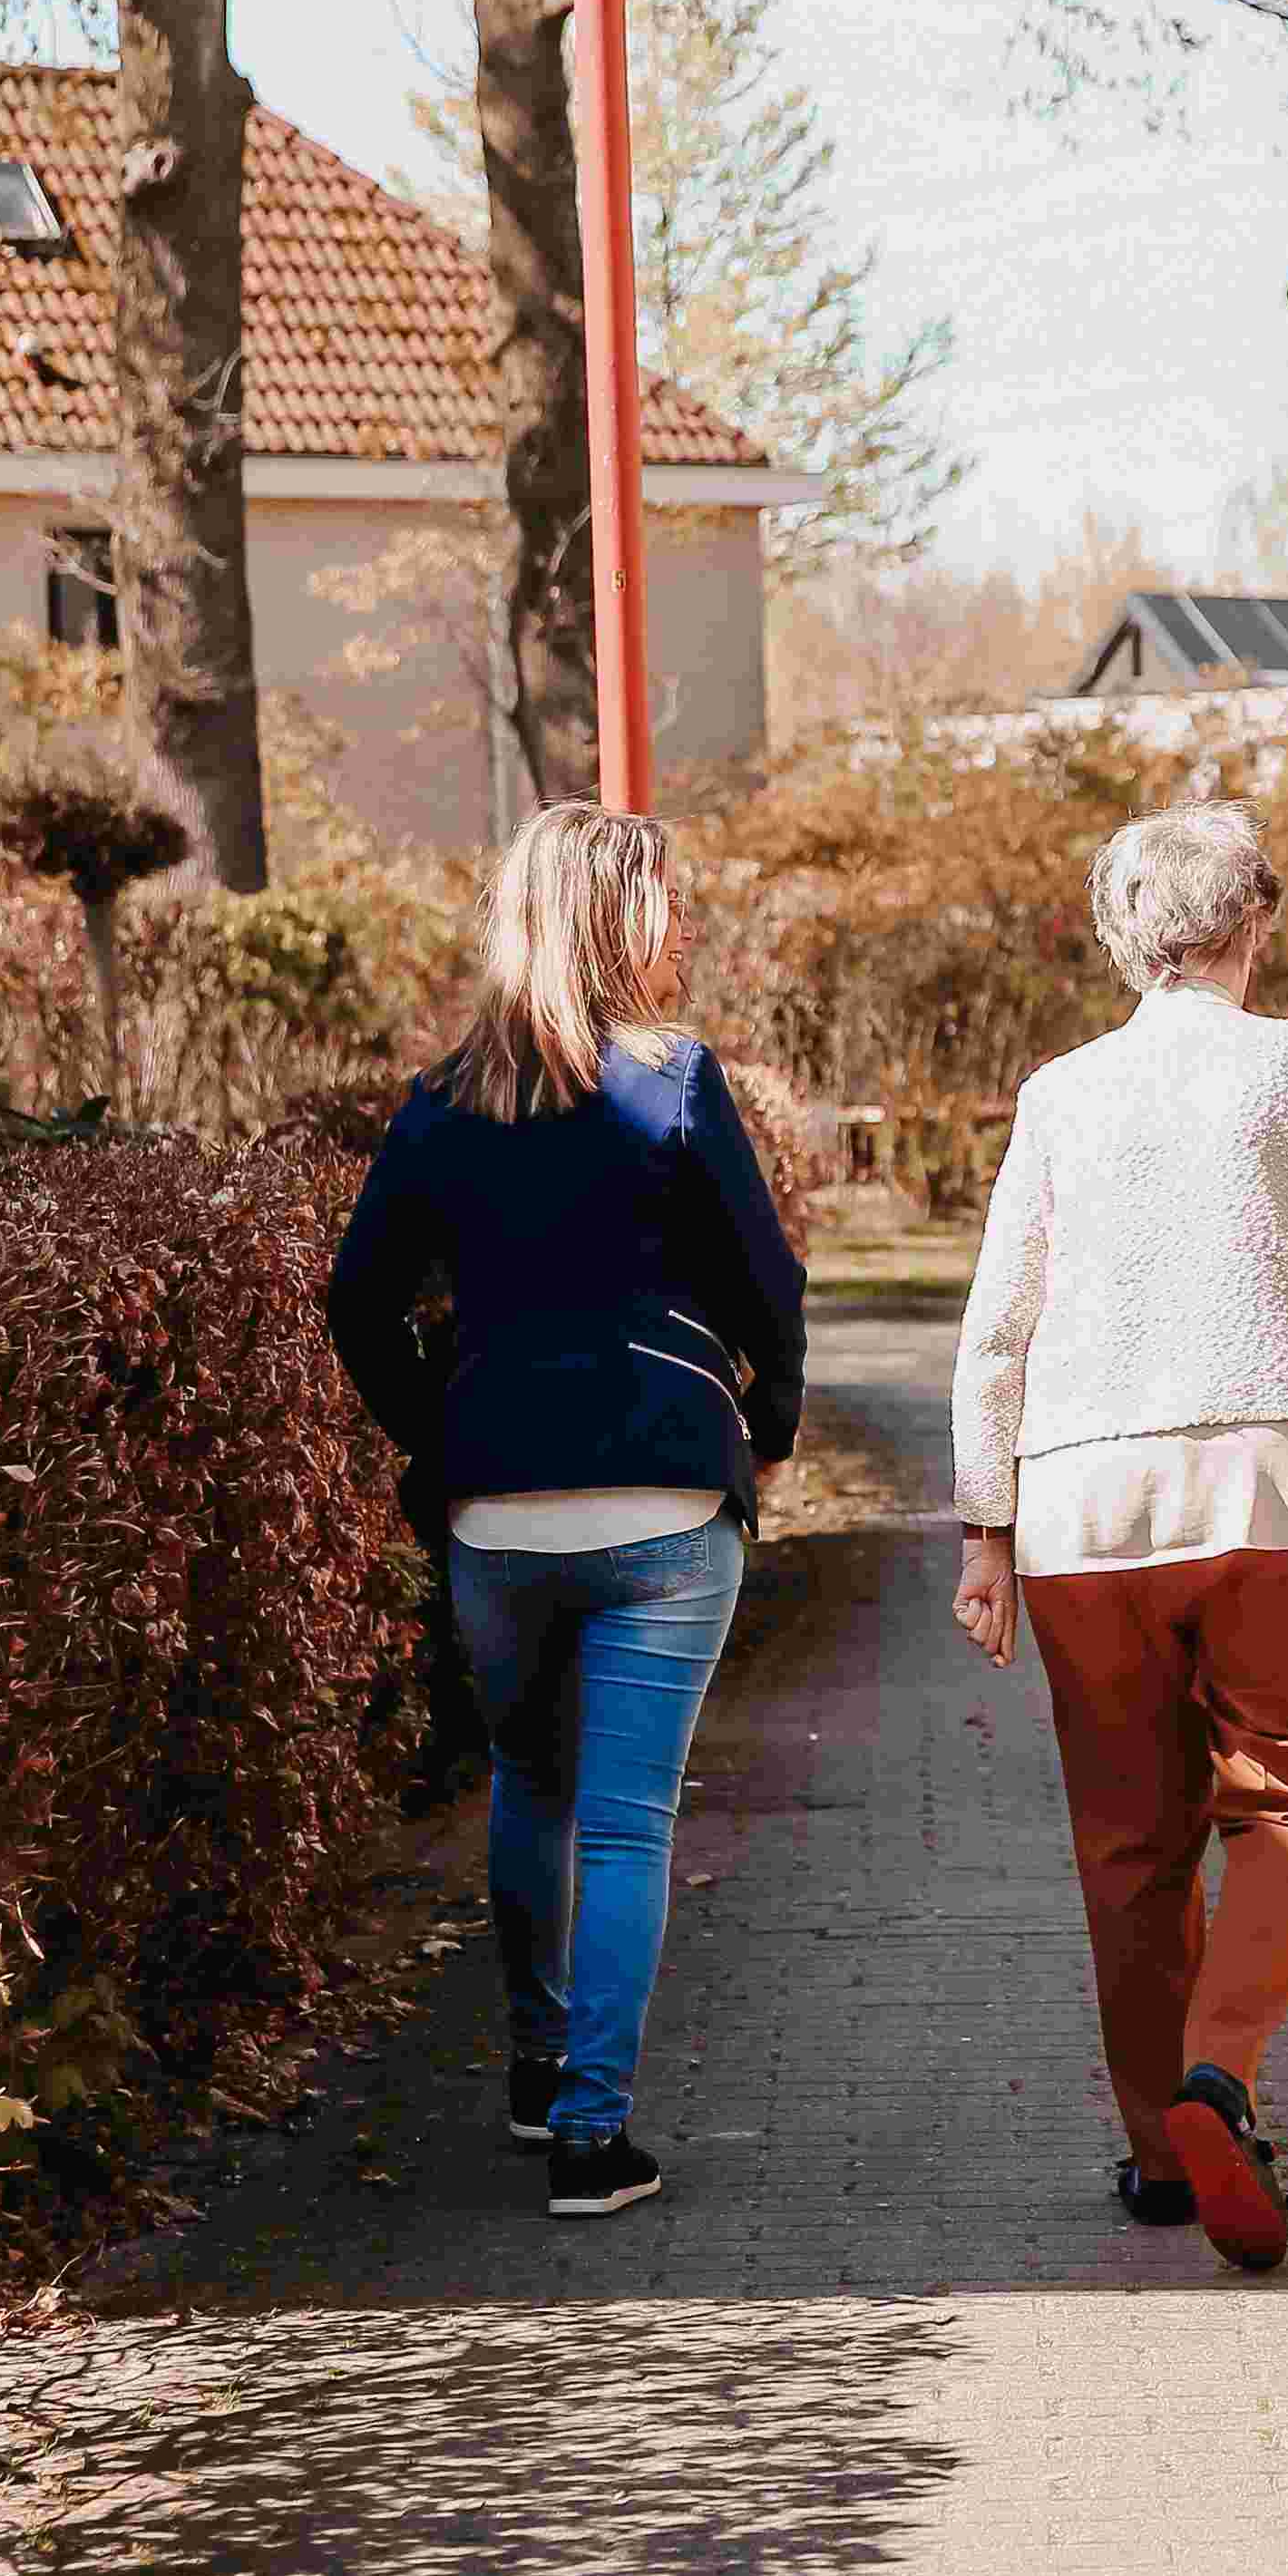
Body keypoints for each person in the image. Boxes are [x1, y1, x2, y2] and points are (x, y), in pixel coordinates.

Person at [949, 800, 1288, 2270]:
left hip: (1086, 1503)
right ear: (1254, 922)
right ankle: (1220, 2072)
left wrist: (983, 1532)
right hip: (1285, 1489)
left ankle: (1157, 2159)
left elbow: (997, 1328)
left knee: (1129, 1841)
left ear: (1124, 939)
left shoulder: (1058, 1093)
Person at [327, 802, 806, 2221]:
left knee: (526, 1787)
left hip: (497, 1518)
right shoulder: (677, 1083)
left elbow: (359, 1301)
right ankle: (597, 2135)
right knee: (625, 1822)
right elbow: (766, 1285)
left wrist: (444, 1429)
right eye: (664, 904)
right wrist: (762, 1428)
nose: (683, 929)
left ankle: (539, 2073)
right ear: (617, 921)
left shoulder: (437, 1105)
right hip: (663, 1494)